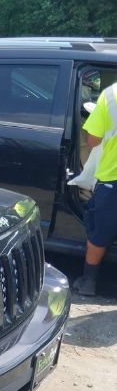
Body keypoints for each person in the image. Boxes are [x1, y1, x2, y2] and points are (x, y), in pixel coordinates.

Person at [73, 81, 117, 296]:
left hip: (112, 179)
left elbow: (92, 140)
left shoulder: (111, 95)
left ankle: (88, 281)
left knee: (100, 231)